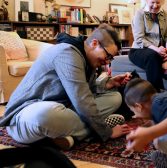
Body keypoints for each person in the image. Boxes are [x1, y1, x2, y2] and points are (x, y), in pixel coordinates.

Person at [0, 24, 132, 150]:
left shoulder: (88, 59)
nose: (108, 61)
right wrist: (106, 132)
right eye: (108, 56)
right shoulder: (67, 53)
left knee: (115, 97)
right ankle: (92, 131)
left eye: (111, 59)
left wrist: (108, 83)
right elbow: (82, 99)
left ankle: (63, 134)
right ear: (95, 43)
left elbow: (86, 91)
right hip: (23, 118)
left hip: (63, 109)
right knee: (44, 115)